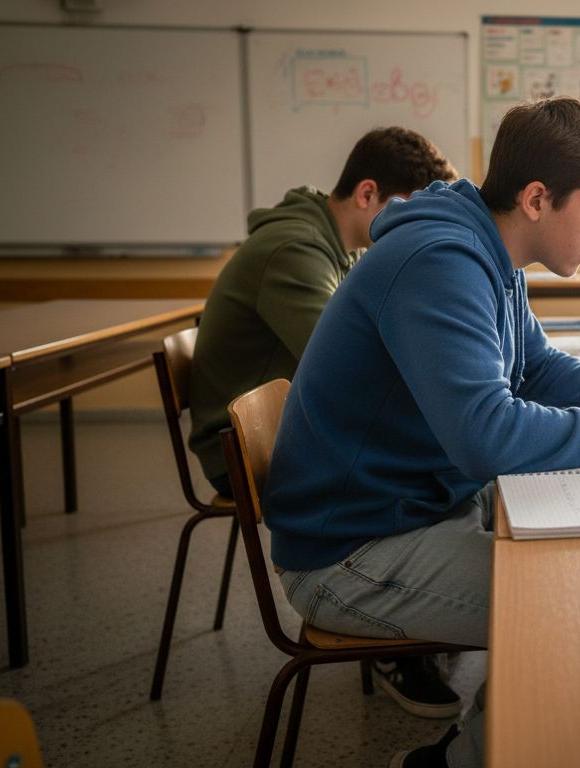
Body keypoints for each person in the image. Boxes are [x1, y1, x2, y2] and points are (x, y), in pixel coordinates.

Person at [261, 96, 580, 768]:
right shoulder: (440, 260)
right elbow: (487, 437)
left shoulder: (485, 250)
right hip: (349, 553)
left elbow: (538, 371)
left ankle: (475, 743)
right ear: (536, 199)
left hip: (416, 510)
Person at [186, 126, 460, 718]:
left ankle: (418, 604)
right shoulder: (295, 250)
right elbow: (343, 358)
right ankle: (395, 629)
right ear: (367, 193)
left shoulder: (332, 244)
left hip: (294, 432)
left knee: (442, 458)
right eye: (406, 211)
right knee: (428, 452)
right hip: (239, 452)